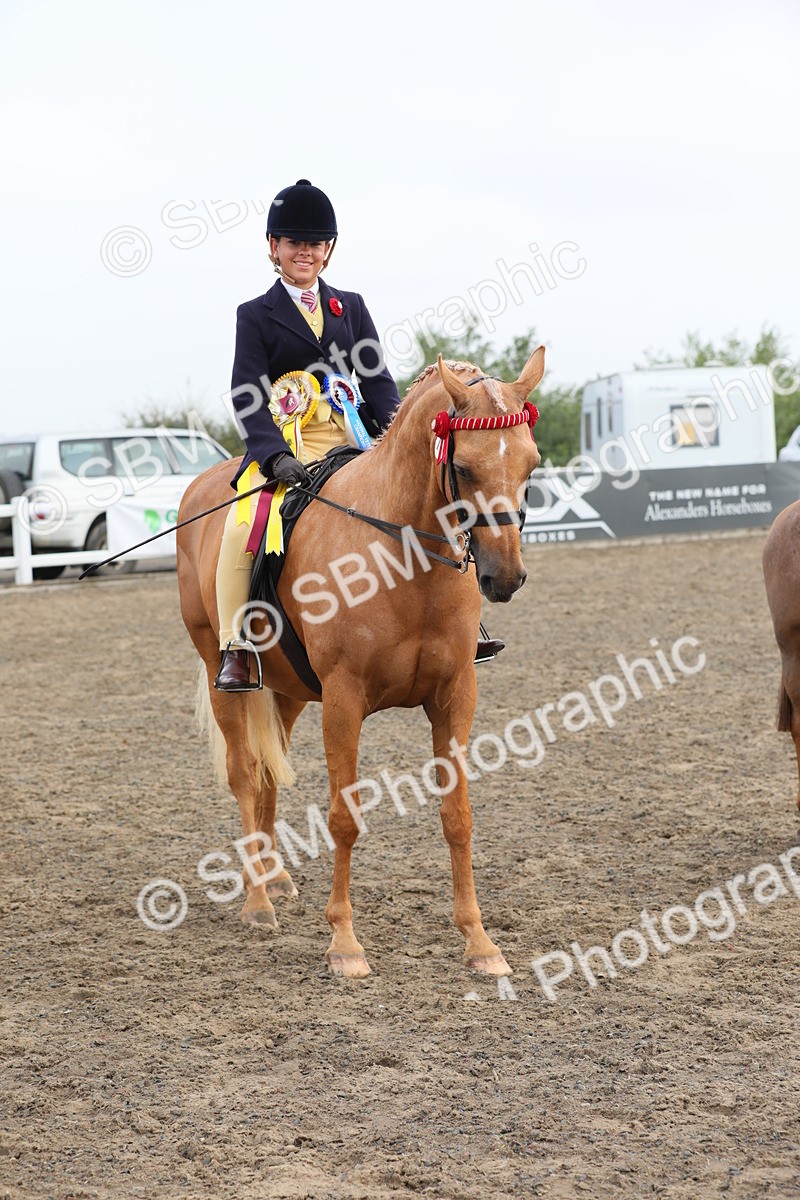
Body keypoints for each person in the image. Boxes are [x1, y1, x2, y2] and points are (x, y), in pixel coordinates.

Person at [214, 179, 504, 692]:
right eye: (293, 242)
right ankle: (238, 646)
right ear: (273, 248)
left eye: (315, 244)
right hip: (289, 447)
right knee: (244, 526)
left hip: (356, 439)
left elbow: (377, 382)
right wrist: (273, 454)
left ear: (328, 250)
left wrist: (396, 437)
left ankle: (463, 624)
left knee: (426, 500)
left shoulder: (351, 306)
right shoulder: (254, 315)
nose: (304, 252)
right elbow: (246, 394)